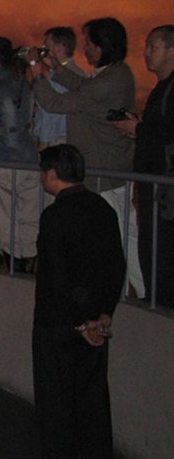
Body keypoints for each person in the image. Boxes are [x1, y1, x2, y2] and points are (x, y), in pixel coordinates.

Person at [26, 144, 125, 459]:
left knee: (56, 400)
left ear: (53, 174)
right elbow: (115, 267)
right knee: (93, 396)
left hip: (60, 326)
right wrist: (101, 317)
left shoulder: (56, 216)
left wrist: (78, 324)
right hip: (97, 323)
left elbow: (57, 278)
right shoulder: (103, 209)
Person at [31, 18, 141, 296]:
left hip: (106, 173)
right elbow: (82, 86)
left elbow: (57, 102)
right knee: (121, 237)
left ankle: (133, 295)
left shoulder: (108, 82)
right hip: (107, 170)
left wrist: (35, 70)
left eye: (89, 44)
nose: (85, 49)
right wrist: (56, 66)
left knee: (117, 239)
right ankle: (133, 293)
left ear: (103, 46)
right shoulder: (114, 73)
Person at [117, 25, 174, 306]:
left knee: (162, 254)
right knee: (153, 251)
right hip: (156, 190)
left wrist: (139, 130)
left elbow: (167, 134)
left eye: (154, 47)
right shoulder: (161, 89)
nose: (147, 53)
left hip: (165, 193)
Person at [0, 37, 40, 270]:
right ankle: (28, 260)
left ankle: (13, 263)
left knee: (4, 217)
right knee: (29, 214)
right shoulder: (23, 82)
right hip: (28, 156)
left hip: (2, 157)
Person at [31, 26, 88, 150]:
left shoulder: (57, 79)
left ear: (59, 47)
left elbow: (50, 116)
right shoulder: (80, 74)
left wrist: (43, 148)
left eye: (46, 45)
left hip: (56, 144)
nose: (42, 49)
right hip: (73, 141)